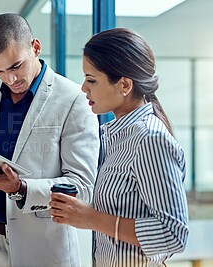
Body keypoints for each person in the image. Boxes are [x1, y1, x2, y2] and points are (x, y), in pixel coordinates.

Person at [0, 13, 99, 267]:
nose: (10, 79)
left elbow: (82, 187)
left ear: (35, 47)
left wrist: (21, 188)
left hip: (43, 246)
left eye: (15, 66)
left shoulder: (74, 100)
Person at [49, 28, 189, 266]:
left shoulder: (148, 138)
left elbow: (173, 234)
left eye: (92, 80)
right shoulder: (117, 137)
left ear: (124, 85)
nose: (84, 88)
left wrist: (91, 218)